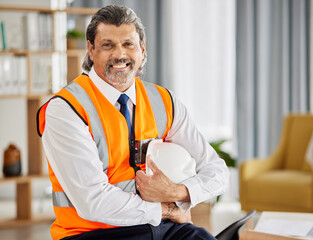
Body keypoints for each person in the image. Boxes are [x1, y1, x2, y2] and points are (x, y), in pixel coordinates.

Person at [37, 5, 229, 240]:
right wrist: (167, 209)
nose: (120, 55)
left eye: (128, 44)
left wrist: (177, 192)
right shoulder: (65, 109)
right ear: (91, 49)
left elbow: (216, 170)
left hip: (165, 227)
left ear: (142, 49)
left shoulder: (164, 101)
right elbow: (93, 201)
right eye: (108, 45)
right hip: (93, 233)